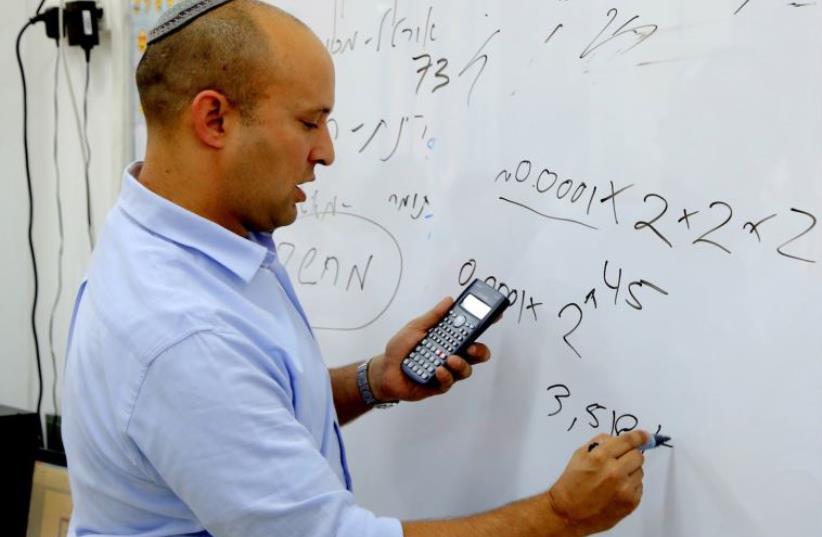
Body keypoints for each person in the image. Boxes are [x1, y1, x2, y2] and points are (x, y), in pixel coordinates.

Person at [61, 1, 649, 536]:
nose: (326, 152)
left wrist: (372, 381)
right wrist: (561, 515)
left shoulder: (171, 234)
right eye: (309, 122)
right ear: (214, 120)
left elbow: (250, 411)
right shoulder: (183, 332)